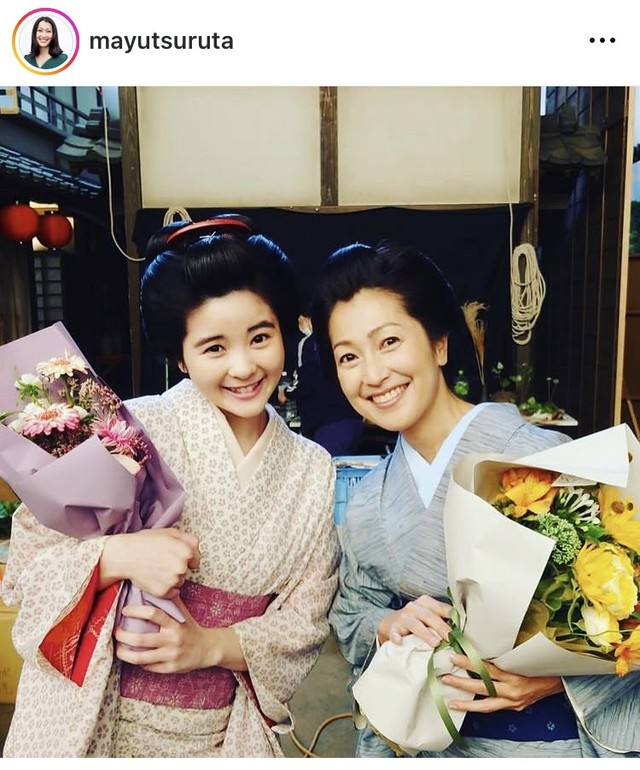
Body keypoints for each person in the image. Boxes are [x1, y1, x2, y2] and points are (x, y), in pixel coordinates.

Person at [1, 215, 339, 757]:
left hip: (224, 734)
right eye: (214, 348)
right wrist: (115, 556)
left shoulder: (312, 468)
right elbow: (27, 570)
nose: (244, 366)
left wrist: (210, 645)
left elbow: (307, 617)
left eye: (260, 337)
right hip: (102, 723)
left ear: (285, 332)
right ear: (180, 356)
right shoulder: (125, 427)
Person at [310, 239, 640, 759]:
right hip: (430, 745)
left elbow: (628, 607)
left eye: (389, 341)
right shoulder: (370, 498)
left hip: (549, 743)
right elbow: (351, 612)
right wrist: (388, 623)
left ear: (439, 345)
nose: (372, 375)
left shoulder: (537, 456)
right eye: (348, 356)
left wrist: (556, 677)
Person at [291, 315, 363, 456]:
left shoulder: (308, 343)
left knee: (327, 466)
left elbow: (305, 381)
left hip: (327, 423)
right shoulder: (342, 338)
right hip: (353, 420)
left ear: (306, 319)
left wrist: (287, 393)